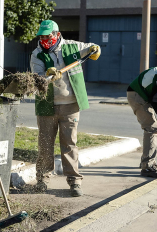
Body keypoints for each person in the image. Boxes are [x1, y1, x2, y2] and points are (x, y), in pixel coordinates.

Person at [30, 20, 101, 197]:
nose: (45, 39)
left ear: (57, 34)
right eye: (42, 36)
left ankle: (74, 181)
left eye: (48, 36)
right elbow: (37, 79)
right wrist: (47, 75)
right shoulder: (37, 54)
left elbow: (91, 47)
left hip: (70, 105)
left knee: (70, 143)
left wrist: (95, 49)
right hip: (47, 105)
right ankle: (42, 179)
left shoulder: (71, 47)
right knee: (45, 144)